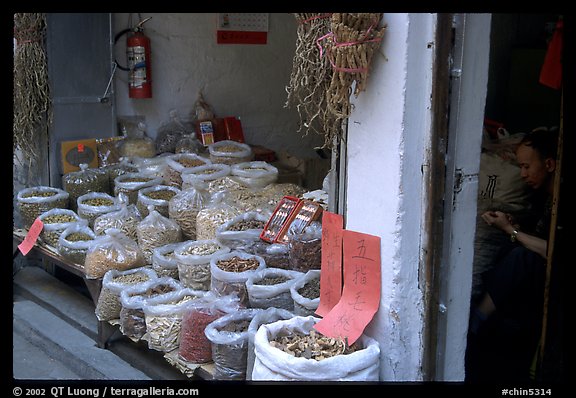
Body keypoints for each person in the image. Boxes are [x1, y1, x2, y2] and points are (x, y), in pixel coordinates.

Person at [465, 127, 558, 383]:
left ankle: (477, 319)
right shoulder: (545, 200)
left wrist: (512, 230)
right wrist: (513, 226)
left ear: (549, 164)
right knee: (509, 250)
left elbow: (552, 250)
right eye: (520, 167)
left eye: (527, 166)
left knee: (521, 257)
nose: (523, 174)